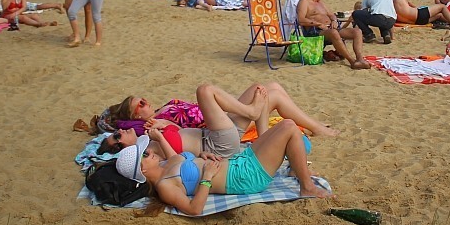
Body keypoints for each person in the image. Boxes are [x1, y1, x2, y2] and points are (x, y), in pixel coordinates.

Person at [116, 117, 330, 216]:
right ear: (142, 171)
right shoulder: (165, 186)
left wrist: (201, 155)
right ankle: (306, 186)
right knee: (290, 129)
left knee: (285, 124)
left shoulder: (166, 164)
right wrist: (207, 177)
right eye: (145, 154)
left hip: (238, 162)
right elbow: (194, 209)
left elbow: (183, 157)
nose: (150, 151)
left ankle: (296, 170)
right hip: (244, 177)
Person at [104, 82, 338, 139]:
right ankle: (317, 128)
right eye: (141, 104)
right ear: (136, 115)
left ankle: (254, 116)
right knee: (272, 94)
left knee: (272, 87)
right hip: (218, 128)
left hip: (223, 115)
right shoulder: (151, 124)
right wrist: (164, 124)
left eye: (143, 99)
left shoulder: (164, 107)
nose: (146, 102)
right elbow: (177, 135)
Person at [99, 83, 270, 157]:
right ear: (123, 148)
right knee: (204, 90)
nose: (119, 131)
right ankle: (251, 111)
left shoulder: (146, 137)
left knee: (259, 89)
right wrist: (161, 138)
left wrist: (163, 125)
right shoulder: (147, 154)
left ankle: (263, 143)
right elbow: (175, 162)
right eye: (116, 137)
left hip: (214, 135)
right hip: (216, 145)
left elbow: (180, 133)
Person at [296, 0, 370, 69]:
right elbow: (301, 20)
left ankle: (360, 59)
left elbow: (331, 15)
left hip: (330, 29)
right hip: (315, 31)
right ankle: (352, 61)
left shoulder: (321, 3)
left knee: (357, 31)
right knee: (334, 33)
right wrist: (319, 24)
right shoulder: (304, 2)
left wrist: (334, 20)